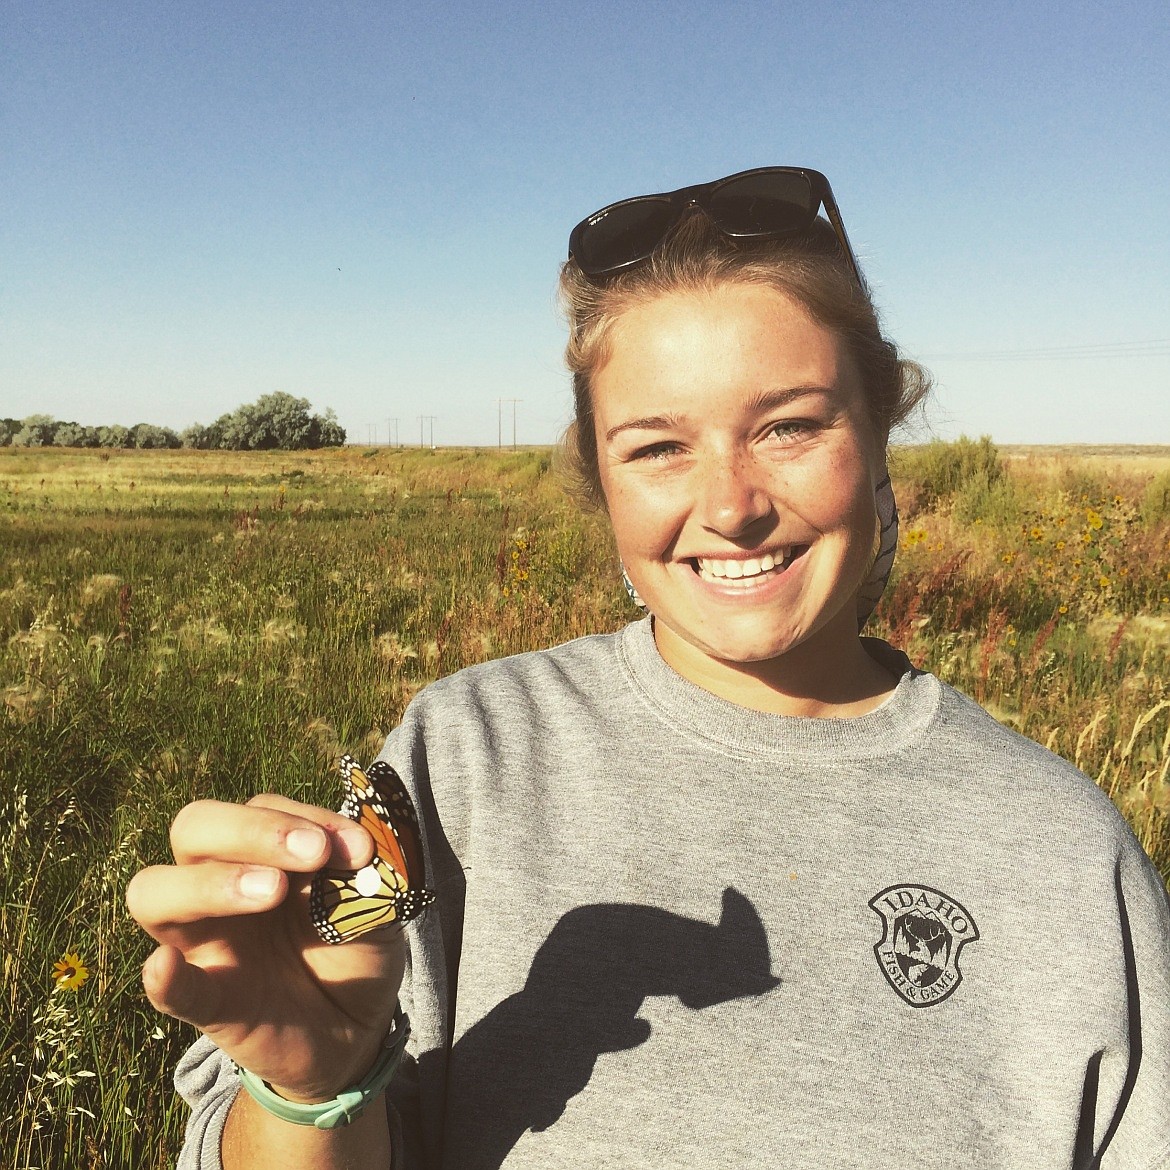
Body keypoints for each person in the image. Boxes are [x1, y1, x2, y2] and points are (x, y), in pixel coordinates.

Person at [127, 167, 1170, 1170]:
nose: (730, 504)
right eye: (658, 447)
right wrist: (314, 1089)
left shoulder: (1058, 851)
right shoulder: (474, 755)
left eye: (790, 425)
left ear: (881, 423)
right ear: (599, 474)